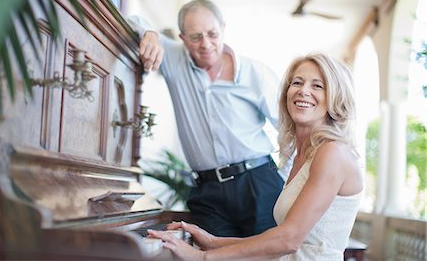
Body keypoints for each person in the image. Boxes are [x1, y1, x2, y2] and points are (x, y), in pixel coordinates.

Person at [148, 53, 363, 260]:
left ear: (335, 97)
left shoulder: (332, 153)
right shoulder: (303, 156)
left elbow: (288, 240)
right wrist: (213, 242)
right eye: (297, 83)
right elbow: (276, 242)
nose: (303, 91)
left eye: (317, 85)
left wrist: (203, 257)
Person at [128, 0, 285, 237]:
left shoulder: (256, 73)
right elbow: (131, 22)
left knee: (267, 255)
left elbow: (290, 129)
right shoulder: (173, 58)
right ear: (182, 38)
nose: (206, 44)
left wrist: (285, 179)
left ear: (223, 27)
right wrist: (150, 33)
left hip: (258, 182)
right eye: (195, 37)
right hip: (207, 191)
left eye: (212, 34)